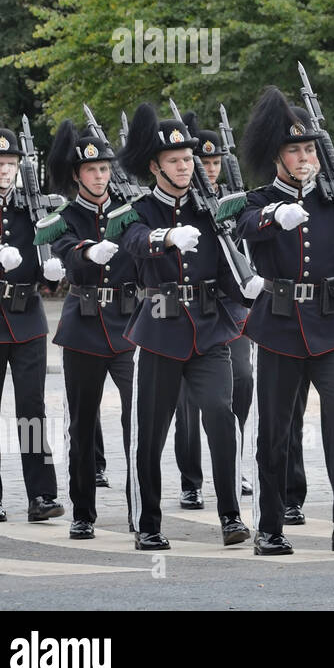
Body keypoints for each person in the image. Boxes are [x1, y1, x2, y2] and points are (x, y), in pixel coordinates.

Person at [236, 86, 334, 555]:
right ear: (277, 156)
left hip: (331, 324)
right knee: (276, 431)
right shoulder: (258, 201)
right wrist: (272, 216)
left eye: (309, 149)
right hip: (280, 326)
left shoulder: (332, 203)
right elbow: (242, 228)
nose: (304, 158)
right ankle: (270, 526)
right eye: (294, 150)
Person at [114, 105, 250, 550]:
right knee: (150, 432)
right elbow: (131, 241)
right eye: (174, 160)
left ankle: (231, 514)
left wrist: (250, 287)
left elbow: (228, 262)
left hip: (210, 329)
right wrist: (164, 238)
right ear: (155, 166)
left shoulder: (209, 207)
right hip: (160, 330)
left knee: (220, 416)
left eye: (188, 159)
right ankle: (147, 522)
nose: (185, 166)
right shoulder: (138, 209)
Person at [0, 109, 63, 523]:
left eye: (12, 163)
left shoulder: (31, 208)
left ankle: (41, 495)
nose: (6, 170)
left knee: (32, 408)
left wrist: (53, 267)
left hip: (28, 317)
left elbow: (50, 244)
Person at [45, 120, 137, 539]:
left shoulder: (129, 211)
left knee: (139, 424)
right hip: (83, 326)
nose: (100, 176)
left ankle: (142, 511)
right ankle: (83, 511)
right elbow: (64, 250)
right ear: (78, 175)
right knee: (82, 425)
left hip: (130, 324)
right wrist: (87, 252)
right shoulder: (63, 217)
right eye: (92, 170)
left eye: (104, 169)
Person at [171, 112, 255, 508]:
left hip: (233, 306)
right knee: (189, 401)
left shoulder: (236, 200)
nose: (209, 168)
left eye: (215, 162)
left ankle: (231, 463)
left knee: (241, 379)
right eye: (202, 162)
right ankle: (191, 477)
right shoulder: (185, 203)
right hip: (193, 309)